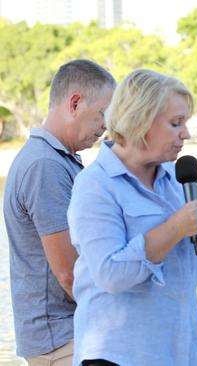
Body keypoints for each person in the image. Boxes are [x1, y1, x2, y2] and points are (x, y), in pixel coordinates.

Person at [66, 69, 197, 366]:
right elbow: (111, 275)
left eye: (185, 123)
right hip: (121, 355)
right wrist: (175, 227)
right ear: (140, 120)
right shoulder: (95, 186)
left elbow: (191, 263)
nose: (186, 134)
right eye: (176, 123)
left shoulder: (174, 179)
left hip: (183, 351)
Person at [3, 59, 115, 366]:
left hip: (68, 333)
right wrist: (123, 314)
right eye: (103, 114)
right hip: (62, 338)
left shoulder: (60, 160)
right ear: (75, 102)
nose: (106, 126)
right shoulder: (45, 166)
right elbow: (69, 272)